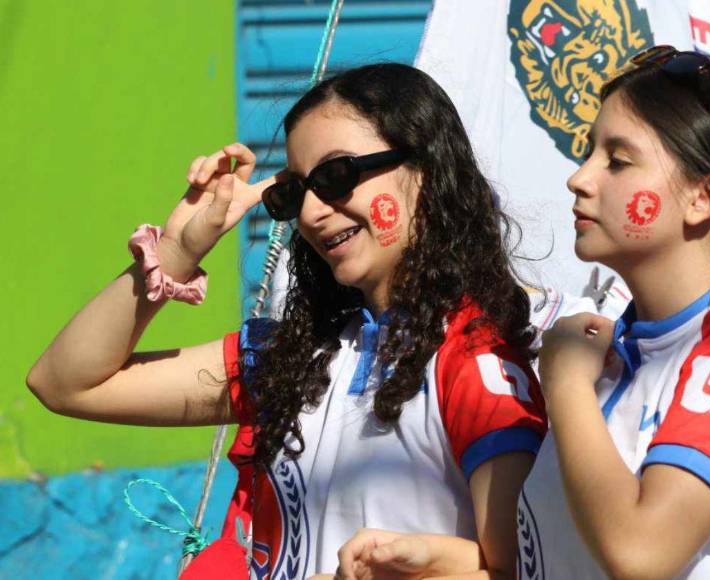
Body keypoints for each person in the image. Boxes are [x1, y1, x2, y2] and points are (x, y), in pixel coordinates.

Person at [26, 63, 548, 578]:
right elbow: (65, 384)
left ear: (427, 170)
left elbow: (523, 570)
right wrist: (177, 251)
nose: (312, 213)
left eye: (337, 176)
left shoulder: (477, 361)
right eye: (295, 193)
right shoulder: (294, 359)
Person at [333, 48, 710, 580]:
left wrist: (565, 385)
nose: (579, 178)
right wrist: (436, 563)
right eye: (589, 152)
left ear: (704, 197)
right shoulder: (609, 348)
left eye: (617, 160)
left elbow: (640, 552)